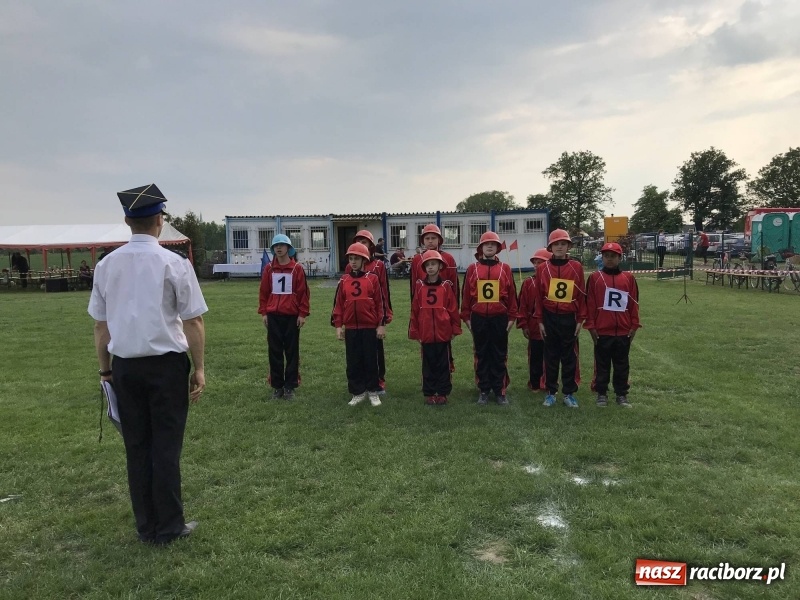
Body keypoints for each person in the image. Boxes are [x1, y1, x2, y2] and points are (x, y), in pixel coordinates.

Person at [88, 183, 207, 545]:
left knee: (137, 447)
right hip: (167, 365)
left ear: (127, 221)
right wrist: (198, 367)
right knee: (166, 446)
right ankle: (170, 525)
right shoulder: (174, 263)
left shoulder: (107, 265)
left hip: (125, 366)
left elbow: (101, 326)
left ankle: (146, 525)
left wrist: (106, 370)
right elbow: (193, 321)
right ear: (160, 220)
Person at [460, 231, 518, 405]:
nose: (490, 246)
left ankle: (500, 390)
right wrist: (467, 319)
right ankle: (484, 389)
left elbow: (512, 295)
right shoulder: (472, 269)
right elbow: (466, 297)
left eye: (493, 244)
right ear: (481, 248)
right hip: (478, 318)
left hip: (499, 318)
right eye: (486, 244)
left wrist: (511, 319)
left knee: (499, 355)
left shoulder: (505, 268)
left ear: (498, 248)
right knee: (482, 354)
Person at [535, 229, 587, 408]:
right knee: (550, 356)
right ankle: (551, 392)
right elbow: (538, 296)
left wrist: (580, 319)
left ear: (568, 246)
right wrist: (540, 320)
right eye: (556, 244)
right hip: (549, 317)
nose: (559, 247)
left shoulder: (576, 267)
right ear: (550, 247)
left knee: (569, 356)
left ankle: (568, 393)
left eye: (563, 244)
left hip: (569, 317)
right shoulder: (543, 268)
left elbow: (581, 294)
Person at [585, 242, 641, 408]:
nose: (609, 259)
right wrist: (591, 327)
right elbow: (590, 304)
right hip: (602, 330)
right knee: (602, 364)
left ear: (619, 258)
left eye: (613, 256)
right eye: (606, 256)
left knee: (622, 364)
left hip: (623, 330)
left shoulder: (628, 278)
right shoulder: (595, 278)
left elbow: (634, 303)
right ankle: (601, 393)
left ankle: (621, 394)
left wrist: (634, 325)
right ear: (602, 257)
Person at [332, 243, 387, 407]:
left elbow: (380, 304)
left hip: (369, 327)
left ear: (364, 260)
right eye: (351, 258)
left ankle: (372, 391)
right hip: (351, 328)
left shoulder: (373, 279)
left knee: (371, 360)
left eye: (357, 258)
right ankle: (357, 392)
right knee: (353, 361)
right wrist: (338, 326)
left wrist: (381, 324)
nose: (353, 262)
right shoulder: (344, 280)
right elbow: (339, 305)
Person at [258, 234, 310, 400]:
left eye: (282, 245)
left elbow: (303, 293)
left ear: (288, 248)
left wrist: (302, 314)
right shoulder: (269, 269)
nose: (278, 248)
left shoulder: (297, 269)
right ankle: (277, 386)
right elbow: (264, 292)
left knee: (292, 352)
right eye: (276, 246)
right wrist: (264, 312)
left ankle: (290, 386)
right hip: (273, 316)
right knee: (274, 352)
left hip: (291, 316)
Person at [408, 250, 462, 405]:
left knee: (443, 364)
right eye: (427, 265)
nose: (430, 267)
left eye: (433, 264)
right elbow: (415, 311)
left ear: (440, 266)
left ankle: (443, 392)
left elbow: (452, 309)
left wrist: (455, 329)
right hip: (426, 334)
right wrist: (415, 331)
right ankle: (430, 392)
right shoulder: (419, 287)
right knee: (428, 365)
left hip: (443, 333)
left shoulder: (446, 287)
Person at [346, 230, 392, 394]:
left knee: (375, 351)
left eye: (364, 242)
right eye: (358, 241)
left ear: (371, 246)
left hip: (373, 317)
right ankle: (360, 383)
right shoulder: (349, 267)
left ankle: (378, 381)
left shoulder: (378, 266)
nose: (360, 245)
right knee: (356, 352)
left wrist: (384, 318)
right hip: (355, 319)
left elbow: (384, 292)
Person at [516, 248, 552, 393]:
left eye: (541, 262)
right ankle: (535, 383)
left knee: (551, 356)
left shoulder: (553, 283)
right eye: (535, 262)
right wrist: (523, 324)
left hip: (551, 325)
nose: (537, 265)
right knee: (535, 355)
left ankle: (549, 382)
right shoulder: (528, 283)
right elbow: (522, 305)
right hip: (534, 326)